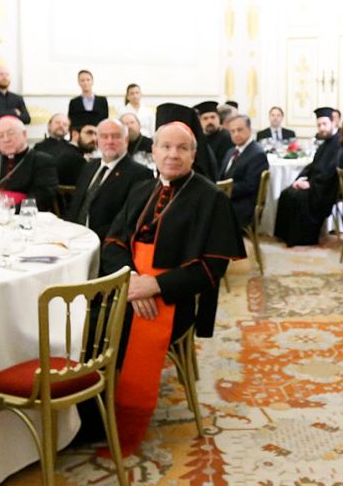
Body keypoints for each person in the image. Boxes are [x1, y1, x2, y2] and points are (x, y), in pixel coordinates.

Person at [96, 111, 243, 457]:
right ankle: (88, 417)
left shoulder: (211, 198)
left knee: (121, 325)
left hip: (175, 298)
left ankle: (122, 424)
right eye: (165, 147)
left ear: (193, 154)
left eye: (182, 148)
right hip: (131, 287)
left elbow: (211, 269)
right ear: (154, 152)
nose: (172, 154)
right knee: (89, 321)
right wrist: (132, 280)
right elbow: (114, 242)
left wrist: (157, 287)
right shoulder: (141, 189)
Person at [272, 107, 343, 246]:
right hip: (317, 184)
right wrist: (301, 179)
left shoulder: (338, 142)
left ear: (332, 123)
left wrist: (311, 184)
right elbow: (313, 165)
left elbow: (330, 172)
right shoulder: (326, 142)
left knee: (298, 198)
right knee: (287, 193)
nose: (321, 128)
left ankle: (299, 238)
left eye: (324, 124)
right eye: (319, 125)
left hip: (326, 189)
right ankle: (284, 235)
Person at [67, 118, 152, 231]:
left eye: (116, 136)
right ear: (98, 140)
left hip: (105, 241)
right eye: (104, 136)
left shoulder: (140, 174)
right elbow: (75, 206)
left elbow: (129, 222)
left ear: (126, 140)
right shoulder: (89, 167)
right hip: (74, 235)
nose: (109, 141)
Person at [216, 114, 269, 228]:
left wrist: (223, 191)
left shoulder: (257, 154)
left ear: (249, 130)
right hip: (227, 198)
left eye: (240, 130)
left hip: (243, 203)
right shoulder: (230, 151)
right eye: (232, 131)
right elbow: (221, 177)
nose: (236, 134)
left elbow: (250, 186)